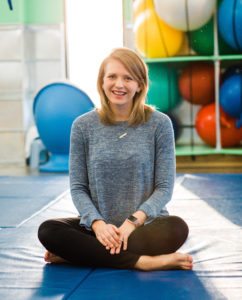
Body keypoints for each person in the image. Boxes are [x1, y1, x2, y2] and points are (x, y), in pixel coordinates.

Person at [38, 47, 193, 271]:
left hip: (143, 228)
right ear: (102, 82)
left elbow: (164, 188)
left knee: (178, 228)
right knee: (48, 230)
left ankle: (80, 255)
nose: (119, 84)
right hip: (98, 230)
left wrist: (132, 223)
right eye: (112, 76)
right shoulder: (82, 126)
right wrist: (98, 224)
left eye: (128, 78)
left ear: (139, 85)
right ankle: (143, 262)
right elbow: (78, 187)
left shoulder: (159, 124)